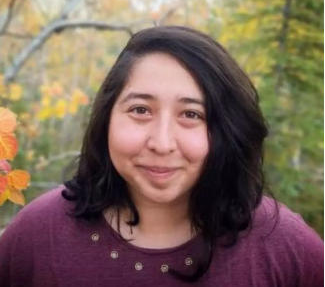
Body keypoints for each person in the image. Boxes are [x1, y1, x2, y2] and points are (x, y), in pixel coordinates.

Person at [0, 26, 323, 287]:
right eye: (140, 110)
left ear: (225, 129)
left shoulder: (283, 245)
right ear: (107, 118)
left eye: (192, 114)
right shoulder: (39, 233)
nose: (162, 142)